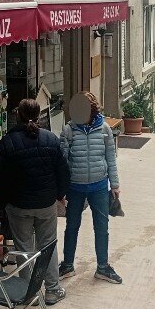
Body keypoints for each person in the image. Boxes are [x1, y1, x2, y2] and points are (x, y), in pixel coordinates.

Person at [0, 98, 70, 305]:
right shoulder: (50, 139)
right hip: (46, 204)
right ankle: (52, 289)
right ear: (39, 115)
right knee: (48, 246)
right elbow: (63, 170)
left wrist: (1, 203)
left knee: (24, 248)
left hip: (18, 206)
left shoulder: (7, 142)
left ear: (18, 115)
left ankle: (29, 293)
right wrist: (60, 195)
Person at [58, 92, 122, 284]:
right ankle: (67, 265)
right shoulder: (68, 130)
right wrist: (61, 189)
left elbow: (111, 158)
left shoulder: (104, 129)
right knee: (72, 226)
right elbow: (62, 161)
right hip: (75, 187)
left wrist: (115, 184)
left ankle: (103, 267)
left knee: (102, 227)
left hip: (99, 186)